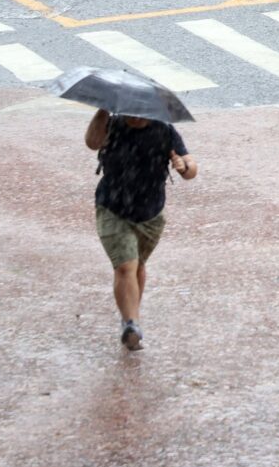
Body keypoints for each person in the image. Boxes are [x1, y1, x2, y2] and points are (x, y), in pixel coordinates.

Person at [84, 108, 197, 351]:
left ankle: (131, 317)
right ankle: (131, 324)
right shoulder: (112, 124)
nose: (136, 118)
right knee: (125, 265)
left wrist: (183, 166)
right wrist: (102, 109)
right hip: (112, 208)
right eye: (130, 113)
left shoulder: (164, 130)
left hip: (151, 213)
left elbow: (191, 168)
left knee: (138, 265)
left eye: (141, 114)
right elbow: (92, 142)